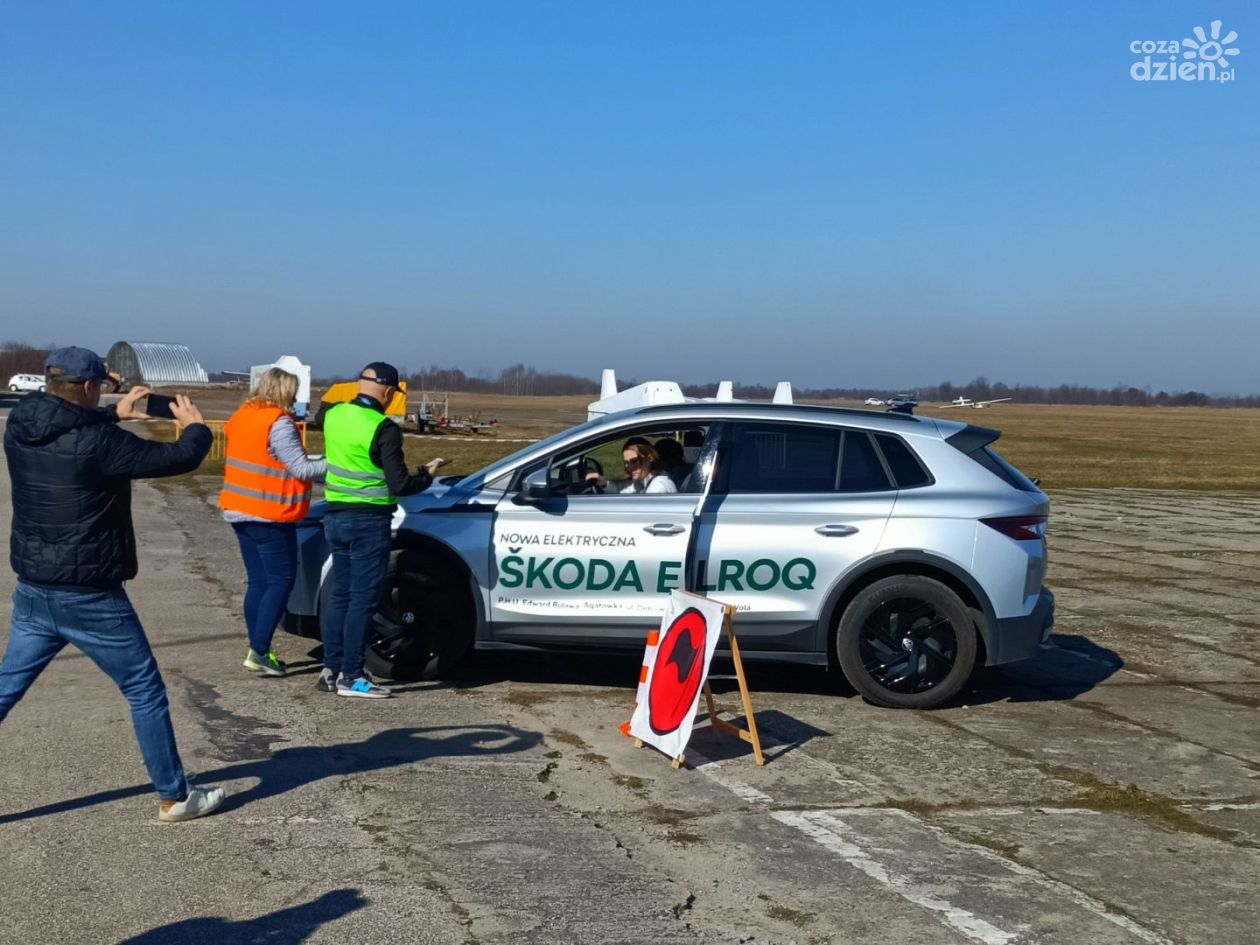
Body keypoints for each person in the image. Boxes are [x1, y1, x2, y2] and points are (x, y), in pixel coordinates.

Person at [1, 346, 225, 822]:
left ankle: (174, 793)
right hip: (90, 593)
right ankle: (175, 796)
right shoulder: (100, 443)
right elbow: (176, 458)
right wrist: (196, 428)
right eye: (100, 384)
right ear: (87, 386)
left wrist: (111, 414)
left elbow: (69, 429)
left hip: (35, 586)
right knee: (143, 688)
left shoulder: (21, 424)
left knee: (6, 688)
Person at [319, 362, 443, 699]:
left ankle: (330, 669)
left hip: (335, 516)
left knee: (341, 595)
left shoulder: (333, 415)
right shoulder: (383, 428)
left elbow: (323, 408)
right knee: (363, 600)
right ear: (388, 391)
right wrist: (427, 476)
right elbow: (399, 484)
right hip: (368, 521)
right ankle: (352, 676)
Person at [220, 367, 327, 677]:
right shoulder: (279, 423)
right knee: (280, 582)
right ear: (284, 391)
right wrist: (335, 465)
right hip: (270, 513)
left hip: (240, 509)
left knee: (258, 582)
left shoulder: (244, 416)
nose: (296, 398)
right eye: (294, 392)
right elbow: (301, 469)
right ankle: (260, 650)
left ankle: (257, 646)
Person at [586, 440, 679, 494]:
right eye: (626, 463)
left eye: (634, 461)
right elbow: (622, 489)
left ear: (649, 458)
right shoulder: (645, 480)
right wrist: (604, 483)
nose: (629, 468)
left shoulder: (658, 487)